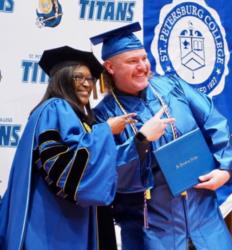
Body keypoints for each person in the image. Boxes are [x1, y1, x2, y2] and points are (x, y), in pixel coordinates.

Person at [90, 22, 232, 250]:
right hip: (153, 233)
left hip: (206, 223)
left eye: (143, 58)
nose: (142, 66)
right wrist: (140, 140)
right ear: (110, 67)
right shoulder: (104, 118)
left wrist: (224, 168)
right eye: (132, 61)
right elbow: (109, 172)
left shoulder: (172, 87)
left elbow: (214, 120)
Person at [0, 45, 136, 250]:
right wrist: (106, 130)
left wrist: (139, 140)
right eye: (78, 77)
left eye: (89, 79)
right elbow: (63, 165)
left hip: (63, 223)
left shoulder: (71, 116)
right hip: (54, 226)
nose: (86, 84)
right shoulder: (55, 107)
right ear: (62, 79)